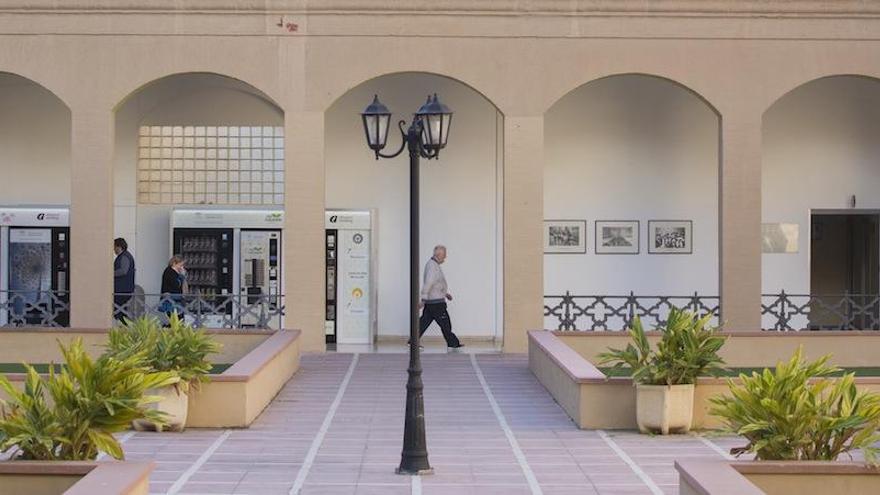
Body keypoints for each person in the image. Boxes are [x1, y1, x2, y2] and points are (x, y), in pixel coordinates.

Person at [418, 245, 463, 349]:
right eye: (444, 256)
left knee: (424, 322)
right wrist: (423, 298)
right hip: (436, 303)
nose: (445, 258)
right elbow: (428, 283)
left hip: (433, 301)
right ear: (438, 255)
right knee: (445, 323)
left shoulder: (433, 265)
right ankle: (453, 343)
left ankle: (412, 341)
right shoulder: (432, 266)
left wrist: (445, 294)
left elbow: (436, 284)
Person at [113, 238, 136, 322]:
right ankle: (123, 325)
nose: (114, 249)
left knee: (119, 310)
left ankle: (123, 326)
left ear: (119, 246)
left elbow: (123, 271)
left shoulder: (124, 256)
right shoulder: (124, 256)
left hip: (122, 289)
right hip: (123, 289)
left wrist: (110, 273)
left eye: (114, 246)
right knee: (121, 309)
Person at [160, 255, 187, 319]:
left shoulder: (178, 273)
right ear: (174, 263)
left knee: (179, 318)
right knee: (174, 319)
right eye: (180, 265)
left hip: (178, 300)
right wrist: (182, 276)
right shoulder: (169, 271)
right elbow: (176, 285)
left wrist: (183, 277)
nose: (182, 267)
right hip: (171, 300)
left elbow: (184, 288)